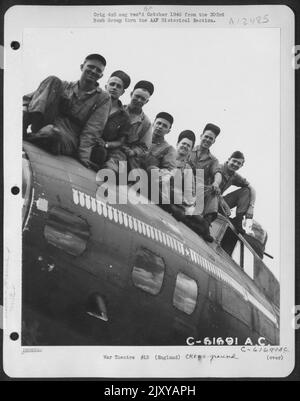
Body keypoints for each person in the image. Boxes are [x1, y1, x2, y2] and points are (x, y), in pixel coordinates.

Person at [23, 53, 111, 169]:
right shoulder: (64, 86)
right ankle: (22, 129)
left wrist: (83, 157)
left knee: (52, 133)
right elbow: (29, 99)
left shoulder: (103, 98)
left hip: (69, 137)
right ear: (82, 67)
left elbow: (93, 129)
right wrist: (23, 113)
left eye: (98, 70)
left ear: (101, 75)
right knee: (53, 80)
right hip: (48, 122)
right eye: (90, 66)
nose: (94, 71)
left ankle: (30, 137)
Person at [162, 130, 214, 242]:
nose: (185, 146)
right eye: (183, 143)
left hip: (176, 199)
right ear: (177, 144)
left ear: (190, 150)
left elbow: (190, 194)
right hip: (159, 190)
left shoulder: (187, 169)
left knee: (200, 222)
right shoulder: (165, 154)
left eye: (188, 146)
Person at [90, 70, 131, 169]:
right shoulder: (92, 100)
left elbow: (120, 141)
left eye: (118, 86)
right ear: (106, 86)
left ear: (122, 92)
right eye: (112, 84)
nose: (114, 88)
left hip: (103, 147)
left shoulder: (124, 116)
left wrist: (106, 144)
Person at [189, 123, 222, 233]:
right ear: (201, 136)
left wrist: (216, 183)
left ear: (214, 141)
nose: (207, 140)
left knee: (213, 191)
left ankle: (206, 223)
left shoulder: (213, 160)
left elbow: (217, 173)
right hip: (181, 183)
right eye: (206, 136)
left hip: (197, 192)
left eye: (211, 138)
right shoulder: (189, 148)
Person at [217, 151, 256, 233]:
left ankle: (238, 219)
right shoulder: (217, 168)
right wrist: (223, 203)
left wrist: (251, 207)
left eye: (238, 163)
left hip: (218, 203)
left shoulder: (234, 176)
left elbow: (252, 189)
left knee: (246, 190)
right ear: (229, 160)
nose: (235, 164)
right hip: (204, 200)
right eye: (234, 161)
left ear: (241, 166)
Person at [122, 80, 154, 170]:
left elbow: (144, 147)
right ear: (131, 94)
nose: (139, 100)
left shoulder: (146, 122)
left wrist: (133, 152)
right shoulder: (119, 109)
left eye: (143, 99)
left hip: (127, 155)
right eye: (137, 96)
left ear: (147, 101)